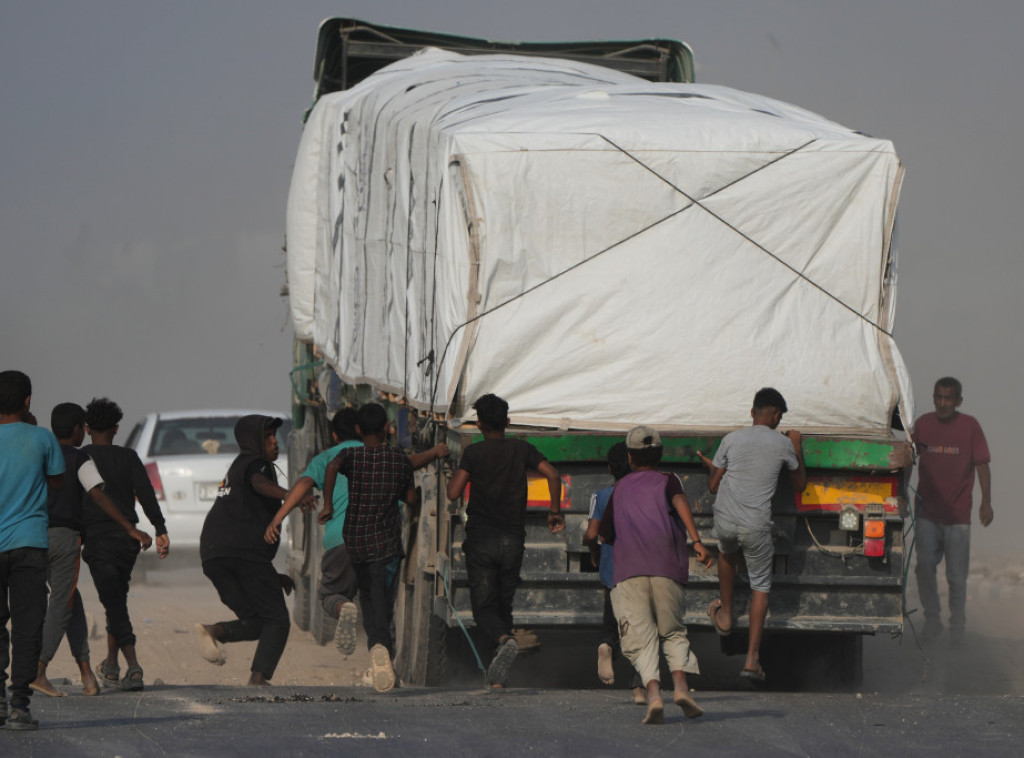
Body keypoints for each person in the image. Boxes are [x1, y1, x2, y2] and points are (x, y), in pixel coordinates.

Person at [264, 409, 447, 659]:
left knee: (331, 594)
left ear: (336, 434)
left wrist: (280, 516)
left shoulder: (338, 456)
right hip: (386, 545)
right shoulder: (394, 458)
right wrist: (435, 453)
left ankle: (343, 607)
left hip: (346, 541)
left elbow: (305, 484)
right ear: (386, 428)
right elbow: (412, 464)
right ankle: (383, 659)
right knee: (381, 608)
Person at [31, 403, 152, 698]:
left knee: (74, 602)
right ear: (77, 430)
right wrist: (129, 527)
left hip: (33, 537)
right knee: (63, 602)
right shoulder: (78, 457)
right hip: (65, 539)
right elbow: (97, 494)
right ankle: (39, 670)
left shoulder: (39, 456)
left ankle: (88, 674)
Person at [445, 393, 564, 688]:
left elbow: (452, 492)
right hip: (513, 539)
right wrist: (554, 511)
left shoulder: (474, 453)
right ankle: (496, 676)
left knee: (484, 608)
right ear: (508, 422)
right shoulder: (521, 449)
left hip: (482, 540)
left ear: (479, 424)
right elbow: (552, 474)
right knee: (503, 605)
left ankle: (504, 641)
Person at [598, 426, 711, 725]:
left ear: (630, 457)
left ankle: (654, 695)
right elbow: (680, 503)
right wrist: (696, 540)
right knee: (672, 630)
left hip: (630, 571)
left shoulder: (620, 488)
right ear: (660, 454)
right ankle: (682, 688)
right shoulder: (668, 480)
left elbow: (604, 535)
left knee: (642, 636)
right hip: (666, 566)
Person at [697, 387, 805, 683]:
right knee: (760, 586)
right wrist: (796, 446)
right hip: (755, 526)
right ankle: (752, 659)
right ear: (777, 416)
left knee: (726, 553)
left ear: (752, 412)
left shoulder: (731, 439)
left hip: (726, 521)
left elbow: (713, 487)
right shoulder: (782, 444)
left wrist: (713, 468)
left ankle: (726, 615)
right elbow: (799, 484)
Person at [196, 415, 302, 686]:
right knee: (277, 620)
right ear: (253, 441)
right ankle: (259, 677)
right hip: (244, 554)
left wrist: (272, 576)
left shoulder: (236, 468)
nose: (274, 442)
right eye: (268, 437)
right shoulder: (257, 465)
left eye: (274, 436)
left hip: (214, 556)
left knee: (256, 621)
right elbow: (259, 484)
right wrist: (291, 495)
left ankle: (213, 631)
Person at [322, 403, 417, 693]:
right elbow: (410, 498)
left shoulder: (351, 455)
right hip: (386, 545)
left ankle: (377, 649)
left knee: (368, 598)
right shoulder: (399, 459)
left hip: (358, 543)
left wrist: (327, 504)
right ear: (388, 427)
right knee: (384, 602)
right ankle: (382, 650)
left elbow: (332, 466)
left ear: (359, 430)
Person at [81, 397, 170, 692]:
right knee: (115, 598)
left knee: (114, 602)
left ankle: (133, 667)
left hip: (98, 541)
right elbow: (145, 494)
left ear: (87, 428)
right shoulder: (129, 457)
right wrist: (159, 528)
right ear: (117, 428)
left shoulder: (81, 458)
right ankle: (111, 664)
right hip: (127, 542)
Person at [0, 370, 64, 730]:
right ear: (27, 401)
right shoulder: (43, 438)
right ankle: (19, 705)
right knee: (27, 623)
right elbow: (56, 480)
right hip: (29, 542)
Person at [913, 377, 992, 647]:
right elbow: (907, 457)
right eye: (938, 397)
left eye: (948, 398)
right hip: (927, 514)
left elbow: (982, 465)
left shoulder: (970, 427)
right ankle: (932, 620)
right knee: (924, 567)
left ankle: (957, 628)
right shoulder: (922, 425)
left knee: (957, 578)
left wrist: (986, 502)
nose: (943, 403)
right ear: (933, 397)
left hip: (958, 517)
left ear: (958, 401)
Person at [583, 442, 645, 704]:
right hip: (643, 569)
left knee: (612, 618)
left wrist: (593, 552)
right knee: (642, 626)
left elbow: (592, 534)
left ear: (610, 468)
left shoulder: (601, 495)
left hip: (613, 570)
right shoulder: (646, 494)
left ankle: (606, 644)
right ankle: (640, 684)